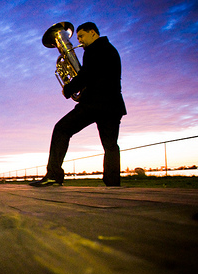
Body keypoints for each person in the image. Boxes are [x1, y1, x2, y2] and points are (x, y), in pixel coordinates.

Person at [30, 22, 126, 187]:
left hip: (94, 103)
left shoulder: (95, 50)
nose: (79, 40)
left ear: (93, 33)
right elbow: (94, 76)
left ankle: (54, 175)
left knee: (61, 129)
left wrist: (68, 89)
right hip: (112, 105)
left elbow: (86, 75)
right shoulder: (110, 49)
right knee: (110, 145)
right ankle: (113, 184)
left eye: (81, 36)